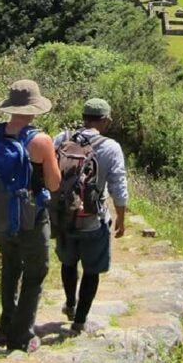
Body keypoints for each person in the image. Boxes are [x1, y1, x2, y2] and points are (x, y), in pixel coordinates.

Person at [0, 80, 60, 353]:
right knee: (36, 272)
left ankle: (6, 327)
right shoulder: (40, 141)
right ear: (33, 110)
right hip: (31, 217)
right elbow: (53, 184)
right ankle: (22, 335)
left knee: (10, 265)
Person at [54, 98, 128, 334]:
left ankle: (70, 304)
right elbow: (118, 183)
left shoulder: (62, 139)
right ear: (104, 120)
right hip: (93, 220)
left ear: (84, 116)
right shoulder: (110, 147)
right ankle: (80, 321)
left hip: (64, 216)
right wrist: (121, 215)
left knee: (68, 262)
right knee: (91, 270)